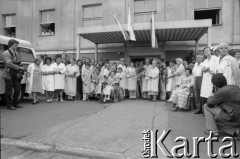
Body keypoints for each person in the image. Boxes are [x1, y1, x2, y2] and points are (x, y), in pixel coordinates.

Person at [203, 74, 240, 138]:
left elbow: (209, 103)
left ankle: (213, 131)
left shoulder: (221, 92)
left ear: (214, 85)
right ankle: (236, 131)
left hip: (233, 116)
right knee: (216, 120)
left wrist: (211, 95)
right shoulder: (234, 86)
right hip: (237, 114)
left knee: (206, 106)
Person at [3, 39, 25, 110]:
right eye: (15, 45)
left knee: (18, 89)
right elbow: (9, 64)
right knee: (9, 90)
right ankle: (9, 105)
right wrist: (19, 67)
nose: (17, 46)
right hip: (9, 72)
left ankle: (15, 104)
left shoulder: (16, 52)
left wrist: (20, 64)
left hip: (15, 72)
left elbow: (16, 61)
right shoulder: (6, 53)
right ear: (10, 45)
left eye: (17, 45)